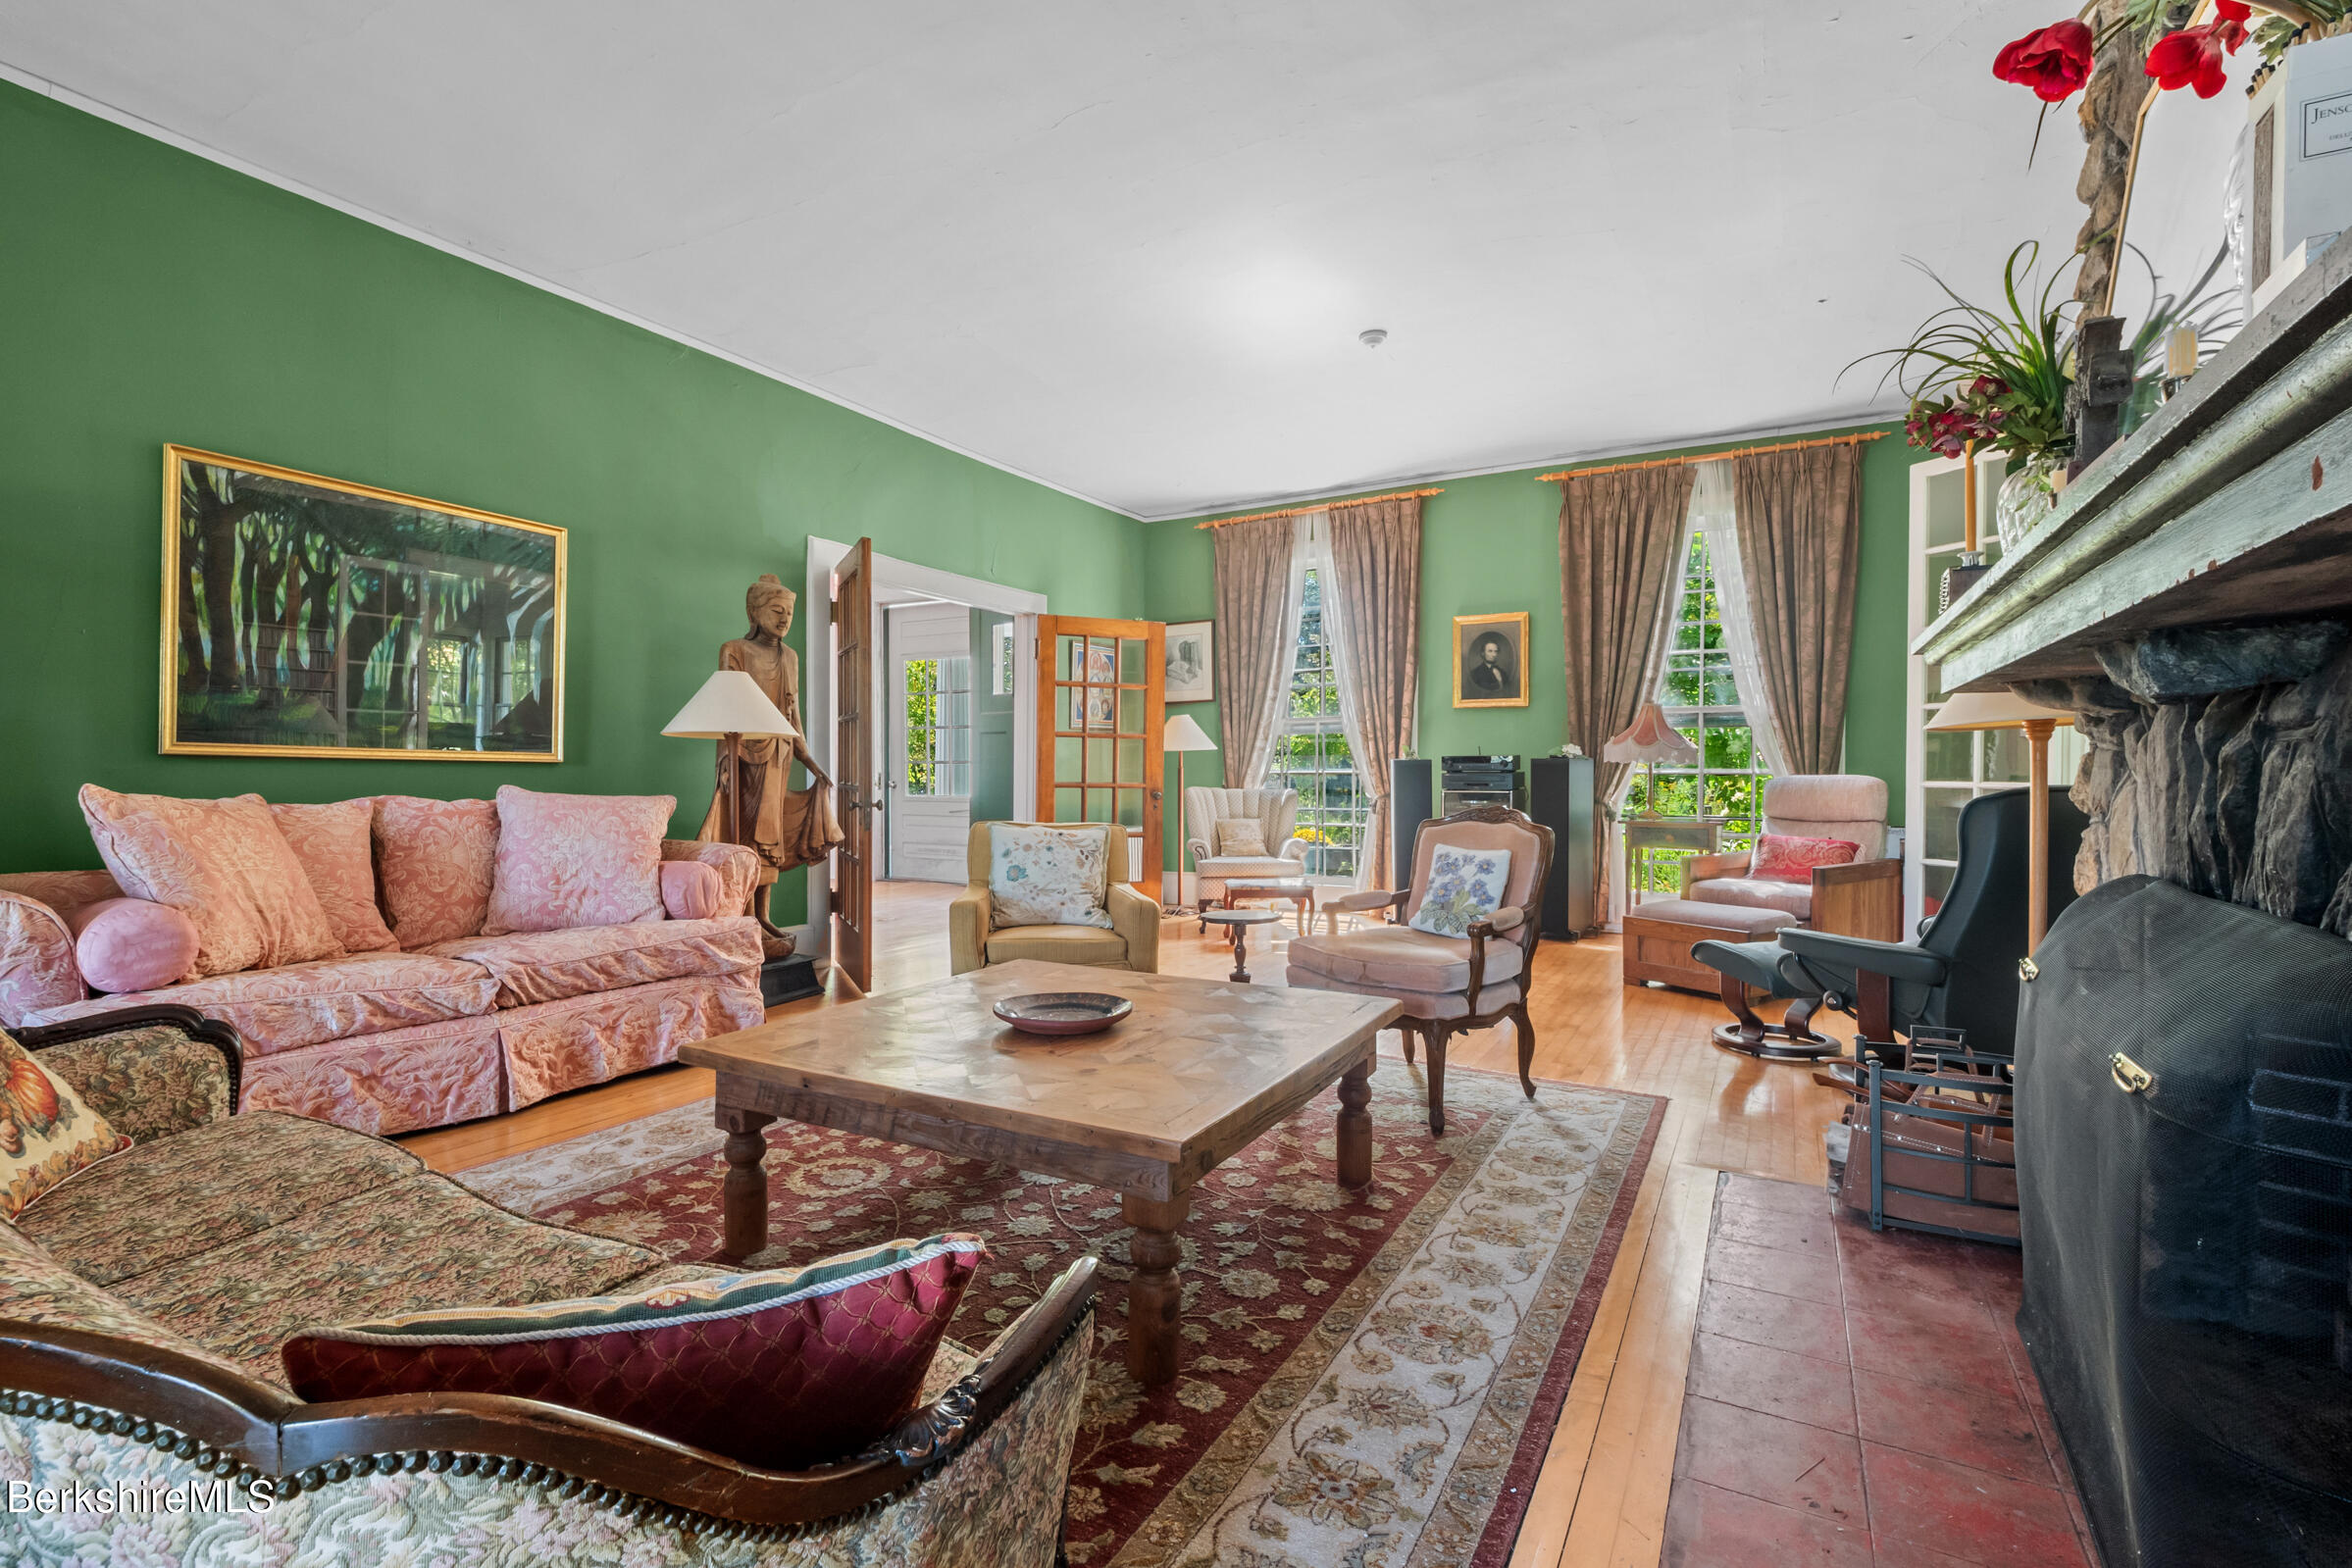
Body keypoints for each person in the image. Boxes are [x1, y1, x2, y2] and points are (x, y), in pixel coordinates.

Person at [696, 575, 842, 951]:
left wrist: (811, 763)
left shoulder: (789, 657)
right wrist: (725, 762)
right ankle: (742, 914)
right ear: (754, 611)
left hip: (779, 757)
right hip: (743, 755)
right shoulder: (734, 650)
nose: (784, 619)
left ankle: (763, 914)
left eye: (789, 613)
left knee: (769, 839)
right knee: (740, 836)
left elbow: (793, 720)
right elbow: (724, 712)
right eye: (776, 611)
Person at [1466, 632, 1514, 696]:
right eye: (1490, 651)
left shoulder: (1502, 672)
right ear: (1483, 653)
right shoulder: (1475, 673)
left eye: (1496, 651)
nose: (1494, 654)